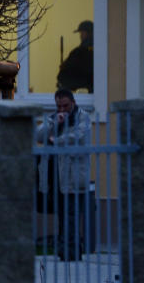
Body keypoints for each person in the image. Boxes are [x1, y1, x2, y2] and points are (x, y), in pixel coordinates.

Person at [35, 89, 92, 261]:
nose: (62, 110)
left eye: (65, 106)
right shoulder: (54, 117)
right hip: (56, 177)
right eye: (58, 106)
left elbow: (78, 136)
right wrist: (54, 124)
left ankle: (72, 252)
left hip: (73, 176)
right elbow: (39, 135)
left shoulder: (83, 117)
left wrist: (56, 140)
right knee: (62, 215)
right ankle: (62, 251)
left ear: (73, 103)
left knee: (72, 216)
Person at [57, 20, 93, 93]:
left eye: (82, 32)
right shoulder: (99, 50)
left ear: (89, 33)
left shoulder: (80, 51)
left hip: (84, 88)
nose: (81, 35)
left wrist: (64, 66)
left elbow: (66, 71)